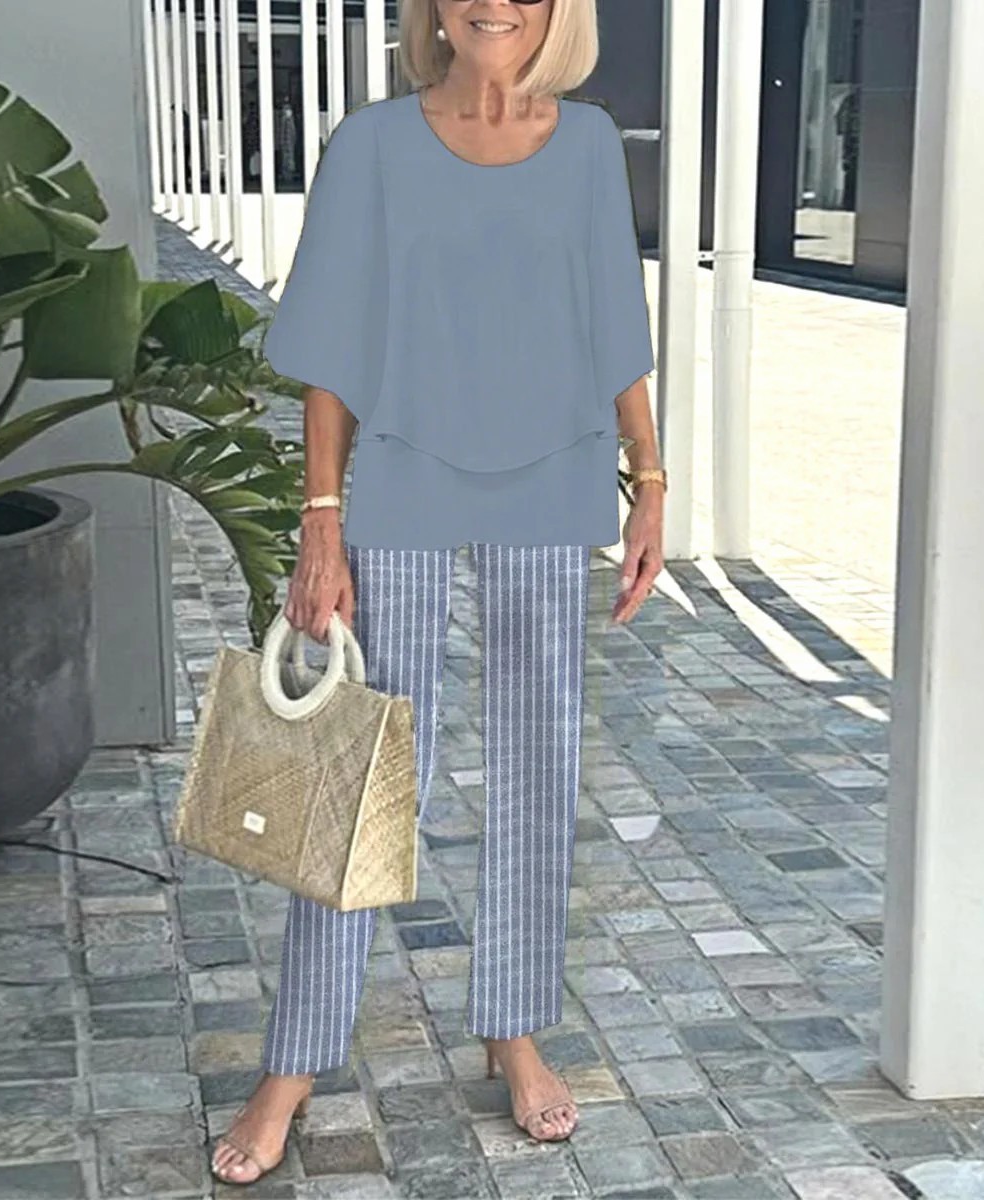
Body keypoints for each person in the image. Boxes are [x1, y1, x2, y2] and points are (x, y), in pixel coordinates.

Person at [211, 0, 666, 1184]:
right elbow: (331, 347)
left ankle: (514, 1030)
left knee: (537, 767)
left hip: (555, 474)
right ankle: (295, 1060)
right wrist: (322, 519)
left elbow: (616, 326)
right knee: (361, 770)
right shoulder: (370, 146)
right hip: (404, 471)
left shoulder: (588, 146)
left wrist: (651, 482)